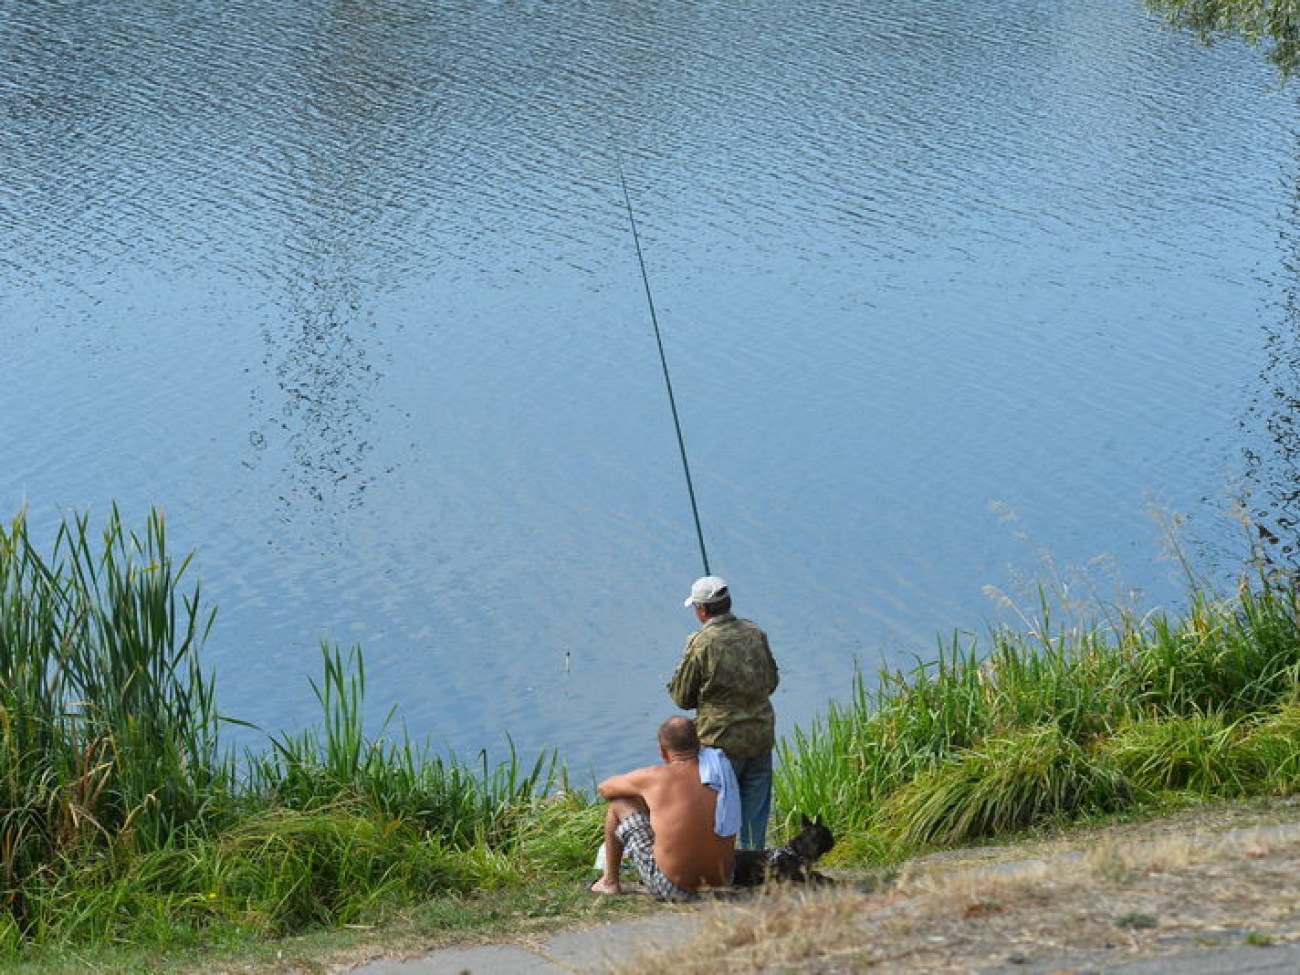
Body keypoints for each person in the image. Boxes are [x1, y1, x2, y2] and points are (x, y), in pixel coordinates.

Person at [668, 575, 779, 850]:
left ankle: (719, 870)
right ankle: (754, 871)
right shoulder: (756, 633)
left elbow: (682, 698)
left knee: (717, 814)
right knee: (755, 815)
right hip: (759, 736)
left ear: (702, 610)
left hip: (719, 743)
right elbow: (772, 682)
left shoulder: (700, 643)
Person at [591, 716, 736, 901]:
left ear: (662, 750)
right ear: (698, 745)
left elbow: (605, 788)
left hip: (675, 889)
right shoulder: (719, 771)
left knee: (619, 804)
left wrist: (642, 791)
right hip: (723, 882)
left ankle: (609, 882)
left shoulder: (654, 777)